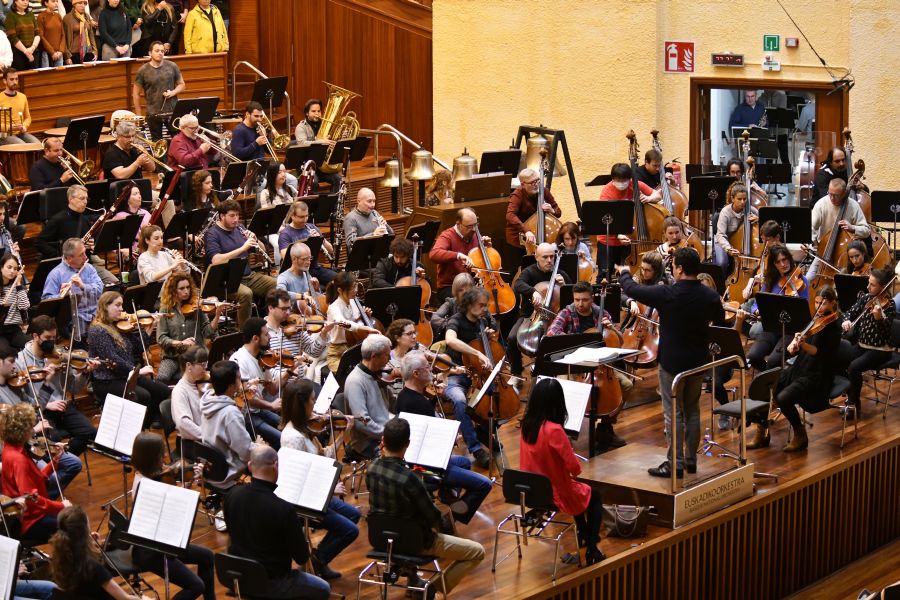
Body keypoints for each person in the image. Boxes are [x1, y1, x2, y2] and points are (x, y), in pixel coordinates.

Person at [617, 248, 724, 477]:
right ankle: (691, 460)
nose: (672, 269)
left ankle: (674, 464)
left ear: (680, 268)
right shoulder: (710, 296)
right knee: (693, 410)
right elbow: (720, 321)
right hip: (698, 362)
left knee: (673, 414)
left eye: (673, 266)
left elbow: (632, 289)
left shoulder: (667, 293)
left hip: (672, 364)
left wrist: (624, 272)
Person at [367, 417, 485, 597]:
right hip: (414, 542)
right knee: (477, 552)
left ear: (383, 440)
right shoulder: (410, 479)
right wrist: (447, 523)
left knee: (403, 520)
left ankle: (413, 579)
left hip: (381, 538)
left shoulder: (371, 469)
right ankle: (432, 590)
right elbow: (434, 518)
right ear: (407, 444)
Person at [395, 351, 491, 526]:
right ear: (416, 373)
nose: (431, 370)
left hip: (417, 462)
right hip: (424, 469)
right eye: (427, 367)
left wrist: (434, 400)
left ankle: (447, 494)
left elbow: (424, 423)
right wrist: (451, 439)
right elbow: (432, 444)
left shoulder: (405, 396)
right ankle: (448, 521)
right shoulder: (417, 403)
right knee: (484, 484)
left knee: (464, 462)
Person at [223, 445, 329, 600]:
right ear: (275, 465)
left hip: (239, 577)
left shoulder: (232, 495)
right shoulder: (283, 509)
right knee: (324, 588)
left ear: (250, 466)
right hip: (272, 582)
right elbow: (301, 558)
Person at [279, 379, 360, 580]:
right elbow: (298, 479)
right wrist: (330, 489)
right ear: (302, 403)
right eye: (312, 400)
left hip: (317, 494)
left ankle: (318, 560)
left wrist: (342, 436)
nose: (315, 405)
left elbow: (324, 456)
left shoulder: (304, 428)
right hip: (304, 503)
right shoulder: (293, 437)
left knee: (354, 515)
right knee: (350, 530)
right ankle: (316, 563)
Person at [520, 378, 606, 565]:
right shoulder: (554, 430)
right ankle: (592, 549)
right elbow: (575, 469)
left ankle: (583, 535)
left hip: (532, 491)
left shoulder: (526, 425)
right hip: (554, 493)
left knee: (578, 492)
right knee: (594, 496)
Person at [129, 432, 216, 600]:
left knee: (207, 556)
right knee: (196, 586)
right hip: (151, 550)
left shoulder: (146, 475)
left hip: (162, 542)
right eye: (161, 454)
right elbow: (176, 512)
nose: (165, 457)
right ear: (151, 458)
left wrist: (189, 481)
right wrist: (190, 484)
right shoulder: (146, 486)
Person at [547, 280, 631, 451]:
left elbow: (620, 341)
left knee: (627, 385)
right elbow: (552, 332)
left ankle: (605, 427)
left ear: (592, 298)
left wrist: (612, 330)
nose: (580, 304)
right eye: (577, 299)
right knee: (565, 387)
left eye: (584, 300)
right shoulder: (567, 312)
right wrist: (576, 341)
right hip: (573, 364)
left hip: (600, 366)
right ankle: (567, 429)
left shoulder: (601, 313)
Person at [16, 314, 98, 455]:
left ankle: (66, 458)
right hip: (41, 411)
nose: (51, 342)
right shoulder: (20, 361)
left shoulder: (59, 356)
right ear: (35, 336)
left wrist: (85, 373)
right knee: (53, 439)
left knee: (90, 432)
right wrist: (47, 404)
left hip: (62, 407)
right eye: (47, 338)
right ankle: (61, 462)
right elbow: (20, 398)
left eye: (54, 338)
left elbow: (73, 387)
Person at [772, 287, 842, 452]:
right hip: (802, 366)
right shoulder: (816, 319)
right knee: (772, 385)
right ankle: (763, 430)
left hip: (819, 373)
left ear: (833, 303)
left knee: (783, 398)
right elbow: (806, 340)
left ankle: (800, 433)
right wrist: (796, 344)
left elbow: (819, 352)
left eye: (823, 303)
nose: (819, 307)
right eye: (817, 303)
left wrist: (803, 345)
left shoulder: (834, 326)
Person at [87, 291, 169, 426]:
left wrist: (151, 326)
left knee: (163, 391)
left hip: (127, 375)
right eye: (117, 305)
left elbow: (138, 347)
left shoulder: (119, 325)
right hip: (108, 380)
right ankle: (137, 428)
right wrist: (137, 371)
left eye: (122, 305)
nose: (121, 309)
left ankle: (146, 422)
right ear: (105, 306)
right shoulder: (97, 330)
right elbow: (113, 359)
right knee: (143, 396)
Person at [443, 287, 500, 468]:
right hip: (456, 374)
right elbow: (450, 340)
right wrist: (476, 352)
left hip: (479, 375)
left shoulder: (483, 321)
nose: (485, 309)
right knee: (460, 401)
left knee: (498, 396)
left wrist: (489, 339)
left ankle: (483, 431)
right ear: (469, 305)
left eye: (486, 305)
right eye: (481, 305)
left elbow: (491, 348)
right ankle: (476, 448)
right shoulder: (456, 320)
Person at [1, 403, 73, 544]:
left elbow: (36, 479)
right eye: (30, 427)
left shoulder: (10, 448)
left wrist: (55, 461)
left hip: (32, 513)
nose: (33, 431)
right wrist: (60, 506)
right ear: (23, 431)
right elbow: (32, 499)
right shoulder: (18, 459)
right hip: (30, 520)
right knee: (74, 524)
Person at [49, 505, 153, 600]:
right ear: (84, 531)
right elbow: (124, 598)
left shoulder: (59, 556)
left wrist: (90, 543)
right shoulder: (93, 567)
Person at [204, 198, 276, 327]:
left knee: (276, 284)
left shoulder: (240, 228)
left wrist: (255, 239)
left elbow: (262, 250)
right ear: (222, 216)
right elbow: (216, 260)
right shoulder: (212, 234)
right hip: (227, 281)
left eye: (237, 215)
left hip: (248, 275)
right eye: (232, 216)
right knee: (246, 294)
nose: (236, 219)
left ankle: (271, 324)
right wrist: (242, 248)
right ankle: (244, 332)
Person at [740, 244, 809, 372]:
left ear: (789, 259)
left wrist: (796, 299)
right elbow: (757, 302)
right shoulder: (770, 281)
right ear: (774, 265)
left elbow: (804, 310)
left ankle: (773, 380)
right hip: (772, 328)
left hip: (791, 330)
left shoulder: (802, 281)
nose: (783, 264)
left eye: (785, 259)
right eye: (778, 262)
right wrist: (757, 310)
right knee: (753, 357)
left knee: (773, 361)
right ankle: (771, 378)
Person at [509, 242, 570, 377]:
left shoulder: (561, 274)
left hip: (554, 318)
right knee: (512, 338)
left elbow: (572, 298)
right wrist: (533, 291)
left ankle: (553, 371)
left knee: (558, 340)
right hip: (530, 316)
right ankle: (516, 371)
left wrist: (565, 286)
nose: (549, 260)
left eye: (552, 257)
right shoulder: (529, 272)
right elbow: (518, 284)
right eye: (545, 257)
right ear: (536, 257)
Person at [35, 186, 116, 287]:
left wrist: (91, 246)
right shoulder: (58, 220)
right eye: (82, 198)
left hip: (86, 267)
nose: (85, 202)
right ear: (71, 199)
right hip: (67, 268)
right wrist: (63, 254)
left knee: (114, 283)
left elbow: (89, 247)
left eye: (86, 198)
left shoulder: (85, 220)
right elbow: (39, 242)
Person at [842, 268, 896, 418]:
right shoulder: (866, 298)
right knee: (841, 361)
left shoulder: (890, 305)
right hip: (862, 345)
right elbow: (850, 312)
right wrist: (846, 320)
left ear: (883, 287)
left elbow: (887, 331)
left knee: (854, 367)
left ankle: (852, 403)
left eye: (872, 285)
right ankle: (853, 398)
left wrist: (879, 319)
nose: (868, 287)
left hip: (881, 350)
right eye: (868, 283)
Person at [200, 360, 261, 486]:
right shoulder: (230, 413)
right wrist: (259, 447)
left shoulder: (208, 401)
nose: (242, 380)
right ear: (230, 386)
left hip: (213, 468)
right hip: (230, 472)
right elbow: (246, 453)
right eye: (239, 378)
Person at [596, 162, 662, 278]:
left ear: (629, 179)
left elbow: (657, 195)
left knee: (627, 273)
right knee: (605, 275)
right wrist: (618, 234)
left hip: (630, 238)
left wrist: (648, 198)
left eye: (624, 180)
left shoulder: (636, 184)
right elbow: (606, 218)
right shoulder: (607, 192)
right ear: (613, 179)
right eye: (618, 180)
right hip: (609, 239)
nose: (622, 183)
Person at [229, 317, 286, 449]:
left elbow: (272, 389)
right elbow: (247, 398)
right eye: (266, 334)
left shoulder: (262, 357)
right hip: (247, 414)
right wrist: (271, 405)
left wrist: (289, 371)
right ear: (255, 338)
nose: (270, 337)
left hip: (260, 410)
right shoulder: (239, 361)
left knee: (290, 427)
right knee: (280, 439)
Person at [156, 272, 221, 384]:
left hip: (195, 357)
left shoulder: (197, 306)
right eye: (181, 288)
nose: (186, 291)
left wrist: (217, 315)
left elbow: (207, 332)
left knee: (201, 378)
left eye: (188, 287)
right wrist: (180, 343)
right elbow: (161, 338)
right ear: (173, 291)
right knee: (161, 378)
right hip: (173, 357)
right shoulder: (165, 310)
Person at [41, 238, 105, 340]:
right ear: (70, 258)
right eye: (81, 254)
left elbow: (100, 289)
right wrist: (62, 295)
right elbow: (46, 302)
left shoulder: (89, 268)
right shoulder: (55, 274)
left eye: (85, 252)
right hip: (76, 323)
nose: (85, 257)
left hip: (97, 316)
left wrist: (83, 286)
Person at [808, 178, 870, 281]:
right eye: (830, 193)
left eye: (836, 195)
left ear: (844, 193)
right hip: (824, 253)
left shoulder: (853, 205)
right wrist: (813, 243)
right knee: (808, 280)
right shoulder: (821, 204)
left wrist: (852, 228)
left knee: (843, 284)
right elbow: (811, 228)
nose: (832, 198)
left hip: (845, 257)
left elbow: (866, 231)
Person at [264, 288, 331, 383]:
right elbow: (265, 367)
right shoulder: (262, 332)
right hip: (277, 385)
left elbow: (314, 352)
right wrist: (287, 374)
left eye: (289, 308)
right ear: (271, 308)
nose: (288, 312)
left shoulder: (295, 326)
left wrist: (324, 333)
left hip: (299, 384)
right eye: (284, 309)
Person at [505, 167, 562, 277]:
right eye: (532, 183)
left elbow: (558, 212)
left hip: (537, 234)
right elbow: (510, 215)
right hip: (518, 238)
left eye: (537, 180)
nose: (536, 184)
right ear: (523, 184)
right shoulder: (518, 194)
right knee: (517, 270)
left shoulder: (543, 190)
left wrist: (552, 210)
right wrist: (526, 230)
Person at [344, 334, 393, 458]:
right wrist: (390, 435)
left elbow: (392, 404)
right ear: (374, 356)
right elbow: (362, 422)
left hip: (385, 430)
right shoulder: (355, 381)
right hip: (369, 441)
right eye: (387, 355)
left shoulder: (377, 374)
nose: (389, 359)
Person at [324, 271, 379, 373]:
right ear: (340, 290)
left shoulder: (353, 301)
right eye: (352, 288)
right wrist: (365, 328)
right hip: (338, 354)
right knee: (352, 375)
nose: (356, 290)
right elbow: (343, 323)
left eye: (356, 286)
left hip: (355, 348)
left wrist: (365, 316)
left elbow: (355, 321)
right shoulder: (333, 308)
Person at [428, 208, 486, 303]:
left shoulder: (474, 234)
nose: (474, 229)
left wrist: (487, 248)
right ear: (458, 224)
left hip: (472, 284)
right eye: (469, 226)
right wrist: (458, 255)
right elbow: (434, 254)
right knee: (470, 301)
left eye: (476, 225)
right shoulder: (447, 236)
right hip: (450, 286)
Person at [133, 40, 184, 140]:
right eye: (157, 51)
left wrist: (173, 92)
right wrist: (138, 115)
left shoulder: (172, 66)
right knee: (157, 143)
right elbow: (136, 94)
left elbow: (182, 85)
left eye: (162, 51)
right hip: (153, 113)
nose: (160, 53)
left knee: (178, 139)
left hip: (172, 112)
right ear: (150, 53)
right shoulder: (142, 70)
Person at [277, 200, 336, 287]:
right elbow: (286, 258)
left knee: (339, 280)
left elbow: (330, 250)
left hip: (314, 268)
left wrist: (321, 239)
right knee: (316, 289)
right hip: (298, 272)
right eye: (301, 217)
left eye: (306, 216)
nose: (305, 219)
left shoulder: (311, 227)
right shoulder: (285, 234)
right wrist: (307, 241)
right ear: (292, 216)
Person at [292, 97, 340, 192]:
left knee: (338, 179)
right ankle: (312, 202)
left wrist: (339, 137)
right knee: (313, 183)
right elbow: (302, 143)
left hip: (322, 165)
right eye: (313, 111)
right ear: (307, 113)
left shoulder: (325, 125)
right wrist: (321, 141)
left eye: (319, 111)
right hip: (307, 166)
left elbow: (333, 141)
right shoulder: (301, 127)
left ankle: (334, 201)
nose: (317, 114)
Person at [713, 182, 759, 274]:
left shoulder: (751, 210)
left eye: (744, 199)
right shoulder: (725, 212)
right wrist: (728, 249)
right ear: (732, 198)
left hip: (741, 244)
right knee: (722, 263)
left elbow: (765, 227)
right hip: (724, 242)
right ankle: (722, 282)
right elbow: (720, 235)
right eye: (739, 199)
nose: (742, 202)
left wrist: (759, 220)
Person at [170, 344, 207, 442]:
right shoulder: (179, 391)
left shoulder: (204, 382)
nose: (205, 368)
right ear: (189, 365)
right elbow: (184, 424)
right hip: (193, 442)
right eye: (202, 364)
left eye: (206, 363)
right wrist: (209, 436)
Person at [343, 187, 393, 253]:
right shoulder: (350, 218)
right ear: (359, 201)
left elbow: (392, 234)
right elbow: (351, 244)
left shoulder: (374, 213)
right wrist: (373, 235)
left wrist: (385, 226)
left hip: (378, 252)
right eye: (369, 201)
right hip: (362, 256)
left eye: (374, 201)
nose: (373, 205)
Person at [430, 272, 473, 342]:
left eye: (467, 290)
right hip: (455, 339)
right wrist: (452, 324)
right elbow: (434, 319)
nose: (464, 293)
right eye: (461, 290)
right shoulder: (451, 302)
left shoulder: (477, 303)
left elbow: (491, 323)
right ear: (456, 291)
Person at [113, 183, 152, 256]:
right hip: (131, 252)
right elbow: (112, 240)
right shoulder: (120, 216)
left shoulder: (146, 213)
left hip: (148, 248)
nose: (139, 196)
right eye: (135, 194)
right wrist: (121, 250)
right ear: (127, 199)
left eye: (139, 193)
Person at [0, 68, 38, 143]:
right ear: (4, 81)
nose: (15, 82)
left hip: (20, 133)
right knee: (22, 146)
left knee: (38, 145)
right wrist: (9, 127)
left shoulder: (23, 97)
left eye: (16, 79)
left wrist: (24, 126)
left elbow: (28, 117)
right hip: (5, 134)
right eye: (11, 79)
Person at [0, 253, 28, 349]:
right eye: (9, 267)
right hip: (0, 332)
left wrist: (19, 285)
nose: (12, 271)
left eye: (15, 269)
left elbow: (24, 306)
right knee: (7, 353)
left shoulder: (18, 287)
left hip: (14, 330)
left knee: (31, 345)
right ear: (1, 267)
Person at [4, 1, 39, 70]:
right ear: (15, 1)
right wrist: (26, 51)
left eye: (27, 0)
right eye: (23, 0)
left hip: (33, 51)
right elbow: (13, 37)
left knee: (34, 75)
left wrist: (32, 48)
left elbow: (37, 33)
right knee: (21, 75)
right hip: (18, 53)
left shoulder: (30, 14)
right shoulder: (11, 16)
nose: (25, 2)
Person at [62, 0, 98, 64]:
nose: (83, 6)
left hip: (88, 52)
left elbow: (91, 35)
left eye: (84, 3)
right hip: (73, 54)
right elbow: (64, 39)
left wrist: (95, 51)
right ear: (74, 4)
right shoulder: (67, 18)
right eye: (80, 3)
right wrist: (67, 56)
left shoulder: (87, 16)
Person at [36, 0, 65, 67]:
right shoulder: (41, 16)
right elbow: (41, 36)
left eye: (57, 1)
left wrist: (61, 50)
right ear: (46, 3)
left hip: (58, 52)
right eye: (53, 1)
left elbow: (63, 34)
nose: (56, 3)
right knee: (47, 73)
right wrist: (52, 52)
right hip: (46, 52)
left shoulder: (58, 16)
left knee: (60, 72)